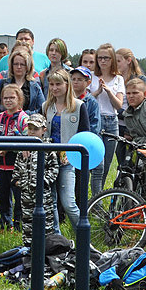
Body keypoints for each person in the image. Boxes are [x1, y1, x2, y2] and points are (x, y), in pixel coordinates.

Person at [40, 69, 91, 230]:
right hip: (49, 158)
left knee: (68, 202)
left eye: (58, 84)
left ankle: (83, 234)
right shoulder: (46, 106)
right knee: (51, 202)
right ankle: (57, 238)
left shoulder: (78, 106)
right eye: (52, 84)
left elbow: (85, 133)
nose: (55, 88)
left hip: (68, 159)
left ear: (67, 85)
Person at [14, 113, 59, 248]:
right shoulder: (23, 148)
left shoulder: (48, 149)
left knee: (46, 224)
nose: (32, 131)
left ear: (43, 130)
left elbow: (54, 169)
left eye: (36, 129)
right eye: (30, 128)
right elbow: (17, 169)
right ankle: (28, 250)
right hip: (26, 194)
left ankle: (47, 249)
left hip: (43, 195)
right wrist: (19, 182)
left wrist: (43, 182)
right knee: (28, 224)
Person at [0, 83, 28, 231]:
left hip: (17, 166)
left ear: (19, 99)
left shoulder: (24, 119)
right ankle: (6, 224)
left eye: (12, 97)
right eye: (5, 98)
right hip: (1, 165)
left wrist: (9, 149)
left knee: (19, 197)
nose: (8, 101)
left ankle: (19, 225)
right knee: (3, 197)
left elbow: (27, 141)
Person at [92, 43, 126, 194]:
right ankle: (95, 201)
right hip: (95, 120)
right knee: (97, 165)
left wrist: (108, 91)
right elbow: (84, 99)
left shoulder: (118, 79)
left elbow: (118, 105)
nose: (103, 61)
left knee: (106, 164)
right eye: (100, 58)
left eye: (106, 58)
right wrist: (98, 91)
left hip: (112, 121)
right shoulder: (92, 77)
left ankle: (98, 196)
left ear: (112, 59)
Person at [0, 48, 44, 116]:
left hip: (27, 122)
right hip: (6, 122)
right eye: (16, 64)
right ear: (11, 65)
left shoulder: (34, 86)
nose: (19, 67)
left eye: (22, 64)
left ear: (27, 66)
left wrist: (23, 115)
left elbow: (41, 108)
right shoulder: (1, 84)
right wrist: (8, 112)